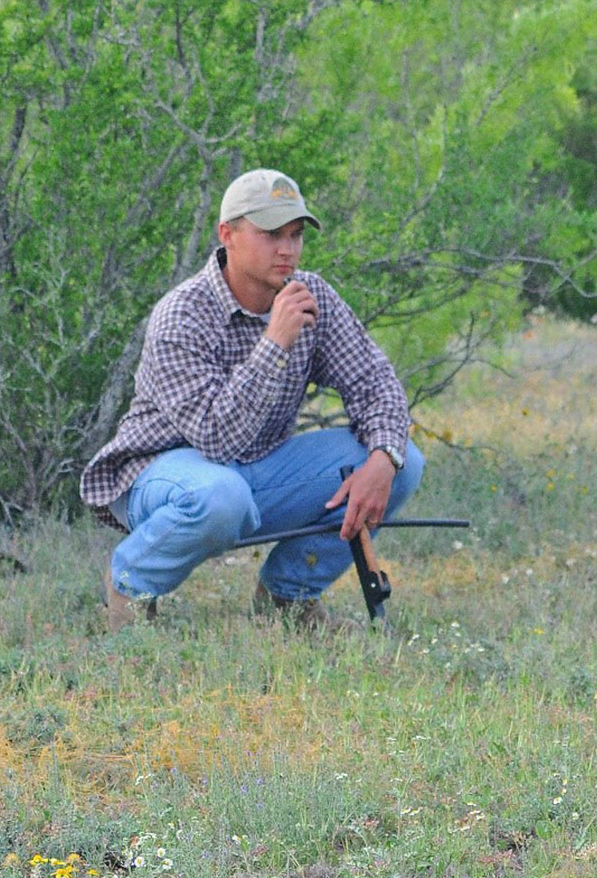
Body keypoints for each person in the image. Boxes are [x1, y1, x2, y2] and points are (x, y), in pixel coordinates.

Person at [79, 168, 424, 633]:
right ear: (229, 235)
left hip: (252, 472)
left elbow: (376, 382)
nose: (287, 249)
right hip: (160, 475)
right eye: (270, 234)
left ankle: (287, 599)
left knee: (404, 462)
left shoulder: (312, 294)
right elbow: (217, 441)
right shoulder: (181, 313)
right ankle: (129, 591)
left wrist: (382, 461)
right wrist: (275, 341)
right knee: (222, 494)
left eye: (296, 234)